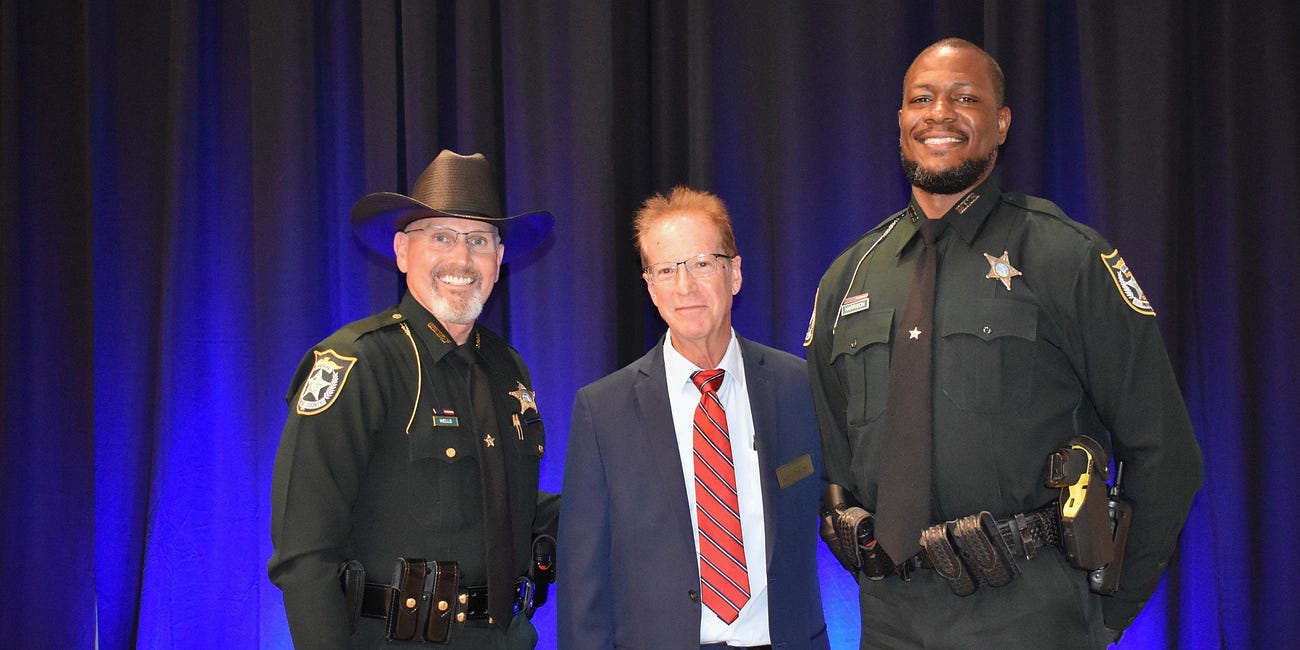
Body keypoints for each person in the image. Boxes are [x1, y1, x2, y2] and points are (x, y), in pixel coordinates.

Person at [805, 38, 1203, 648]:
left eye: (965, 98)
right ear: (901, 122)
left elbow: (1166, 453)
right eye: (921, 99)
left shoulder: (1067, 258)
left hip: (1030, 616)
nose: (940, 113)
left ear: (1001, 124)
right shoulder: (849, 276)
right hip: (889, 622)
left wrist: (1108, 614)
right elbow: (837, 458)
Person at [269, 150, 560, 649]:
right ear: (404, 252)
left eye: (478, 240)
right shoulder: (357, 364)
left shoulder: (507, 369)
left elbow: (504, 504)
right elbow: (305, 553)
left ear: (499, 258)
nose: (461, 259)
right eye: (441, 237)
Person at [558, 187, 829, 649]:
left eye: (702, 263)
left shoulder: (798, 386)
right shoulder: (603, 411)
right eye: (666, 269)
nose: (685, 286)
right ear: (650, 287)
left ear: (735, 273)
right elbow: (583, 583)